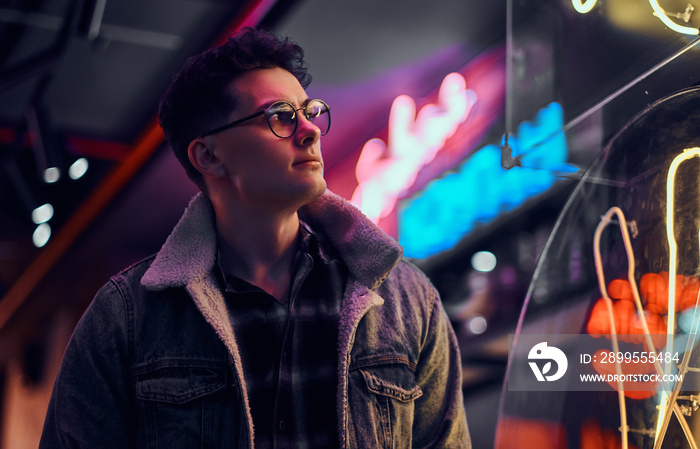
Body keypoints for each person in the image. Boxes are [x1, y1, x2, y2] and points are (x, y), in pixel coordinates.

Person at [39, 27, 470, 448]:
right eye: (280, 116)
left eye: (309, 111)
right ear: (208, 156)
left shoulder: (407, 299)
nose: (311, 130)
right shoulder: (126, 317)